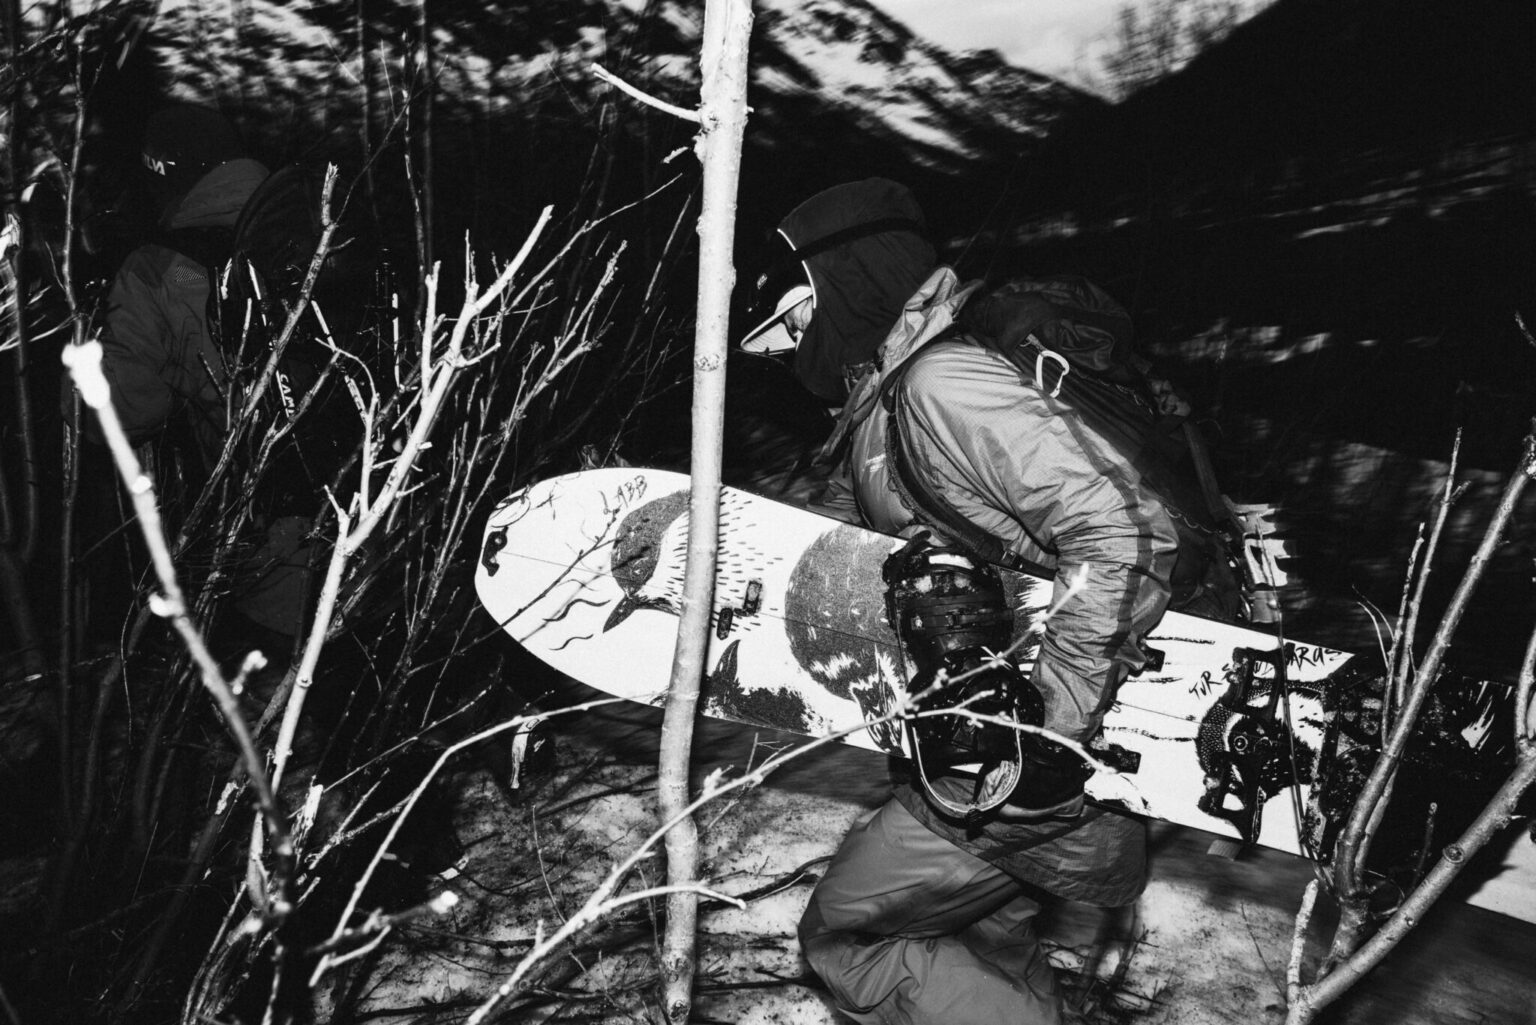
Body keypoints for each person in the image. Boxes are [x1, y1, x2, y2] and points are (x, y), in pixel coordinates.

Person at [742, 178, 1237, 1024]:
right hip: (1003, 748)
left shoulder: (941, 382)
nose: (795, 350)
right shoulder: (890, 399)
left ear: (855, 282)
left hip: (1042, 759)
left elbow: (1127, 530)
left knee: (849, 937)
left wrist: (1049, 726)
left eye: (798, 318)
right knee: (984, 954)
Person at [92, 103, 314, 643]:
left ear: (161, 175)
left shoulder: (159, 269)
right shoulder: (317, 218)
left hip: (282, 551)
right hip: (400, 511)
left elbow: (122, 412)